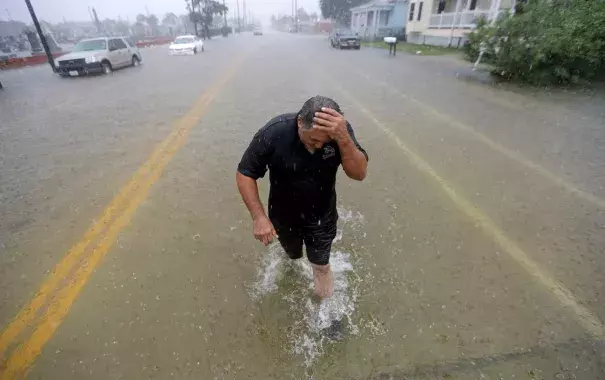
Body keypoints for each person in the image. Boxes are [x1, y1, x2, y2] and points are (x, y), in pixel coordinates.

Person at [236, 96, 368, 298]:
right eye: (313, 139)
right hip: (283, 214)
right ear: (300, 122)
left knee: (321, 267)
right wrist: (259, 217)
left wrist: (343, 139)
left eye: (325, 142)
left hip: (322, 214)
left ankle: (327, 317)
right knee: (292, 256)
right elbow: (245, 173)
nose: (318, 146)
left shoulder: (340, 133)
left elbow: (358, 174)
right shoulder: (275, 132)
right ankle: (293, 263)